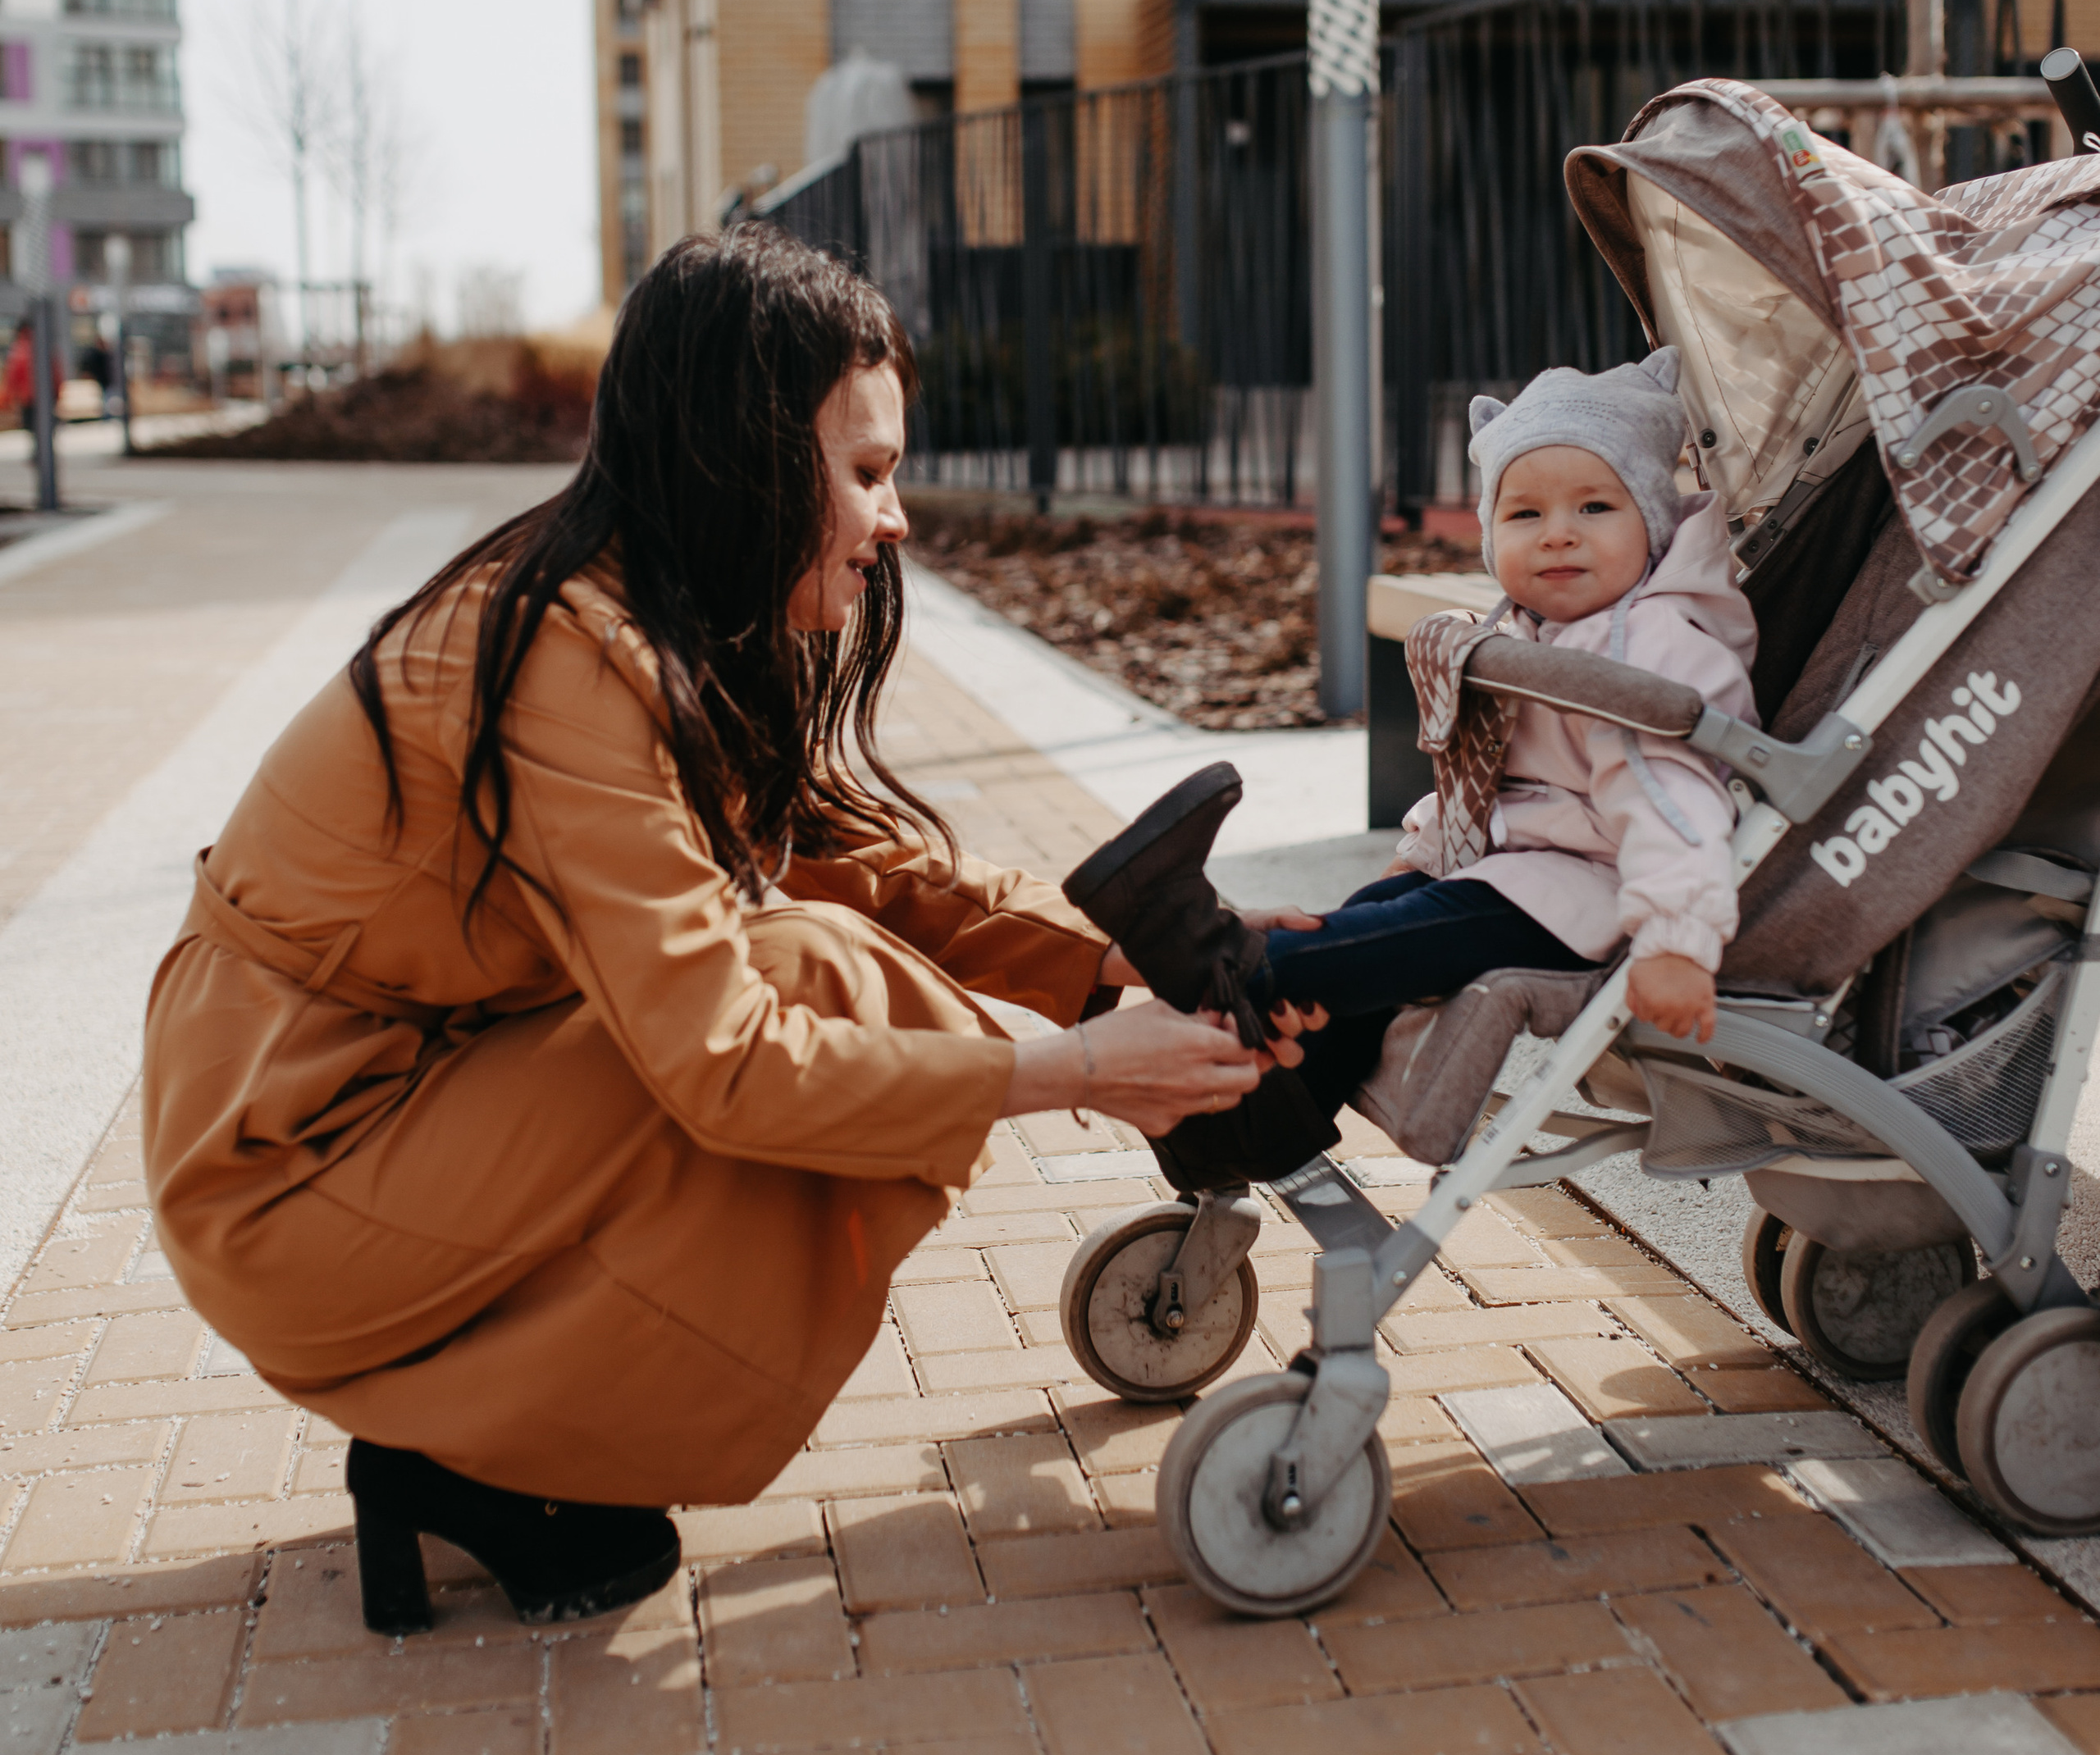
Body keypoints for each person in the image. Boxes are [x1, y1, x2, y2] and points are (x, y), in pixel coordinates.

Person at [142, 229, 1306, 1635]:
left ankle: (479, 1446)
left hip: (372, 1096)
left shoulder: (662, 614)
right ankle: (475, 1448)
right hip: (285, 1168)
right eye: (867, 473)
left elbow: (861, 867)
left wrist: (1129, 955)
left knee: (817, 951)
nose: (899, 519)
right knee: (810, 991)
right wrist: (1074, 1073)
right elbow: (726, 1063)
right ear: (742, 454)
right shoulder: (572, 656)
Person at [1065, 349, 1758, 1186]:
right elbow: (1484, 775)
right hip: (1521, 872)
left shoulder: (1647, 648)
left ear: (1652, 520)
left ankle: (1212, 950)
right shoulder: (1537, 635)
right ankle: (1256, 1122)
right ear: (1489, 533)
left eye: (1595, 506)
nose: (1559, 532)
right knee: (1366, 920)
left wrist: (1677, 941)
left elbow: (1674, 804)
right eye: (1525, 514)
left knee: (1362, 949)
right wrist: (1426, 847)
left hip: (1599, 893)